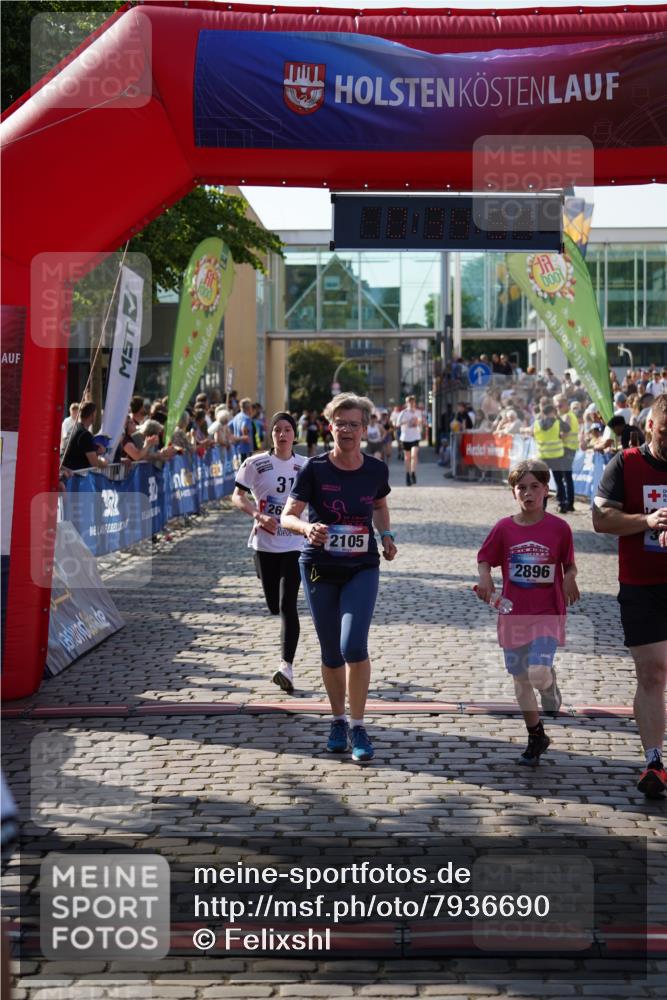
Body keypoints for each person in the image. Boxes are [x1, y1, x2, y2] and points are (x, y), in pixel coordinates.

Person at [281, 392, 397, 762]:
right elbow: (288, 515)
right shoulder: (314, 469)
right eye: (340, 423)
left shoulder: (376, 470)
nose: (347, 430)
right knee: (331, 651)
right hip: (318, 566)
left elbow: (379, 505)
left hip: (361, 566)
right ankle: (337, 719)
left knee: (352, 646)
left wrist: (387, 535)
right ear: (330, 427)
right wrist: (306, 528)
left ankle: (359, 725)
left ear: (365, 429)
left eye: (354, 424)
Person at [476, 460, 580, 765]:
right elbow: (485, 558)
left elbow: (569, 564)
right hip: (512, 612)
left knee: (536, 673)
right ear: (513, 492)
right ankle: (537, 735)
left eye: (535, 486)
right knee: (521, 679)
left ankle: (549, 685)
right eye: (522, 487)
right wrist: (485, 578)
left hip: (548, 611)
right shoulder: (504, 528)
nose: (528, 492)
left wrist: (570, 578)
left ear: (546, 490)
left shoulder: (559, 528)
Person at [592, 394, 667, 798]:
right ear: (651, 427)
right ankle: (654, 762)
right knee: (654, 673)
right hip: (642, 586)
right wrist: (647, 521)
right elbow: (600, 519)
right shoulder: (626, 462)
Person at [232, 413, 306, 693]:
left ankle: (286, 666)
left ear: (294, 434)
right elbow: (237, 495)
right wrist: (256, 514)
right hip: (264, 544)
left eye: (288, 429)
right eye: (277, 430)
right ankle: (265, 578)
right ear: (271, 434)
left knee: (289, 604)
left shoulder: (306, 466)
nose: (282, 434)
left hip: (295, 544)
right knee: (273, 604)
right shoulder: (256, 463)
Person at [531, 403, 568, 513]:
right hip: (556, 456)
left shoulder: (537, 423)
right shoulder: (557, 422)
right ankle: (562, 504)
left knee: (542, 483)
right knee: (559, 481)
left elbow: (533, 435)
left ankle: (542, 506)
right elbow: (568, 428)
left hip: (542, 457)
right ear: (552, 412)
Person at [61, 401, 108, 472]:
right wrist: (105, 462)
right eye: (95, 414)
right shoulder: (85, 434)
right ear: (92, 415)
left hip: (67, 473)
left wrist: (96, 452)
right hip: (74, 478)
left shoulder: (72, 428)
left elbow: (78, 451)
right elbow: (94, 462)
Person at [555, 394, 579, 512]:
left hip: (566, 448)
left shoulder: (567, 416)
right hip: (570, 448)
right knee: (567, 476)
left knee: (564, 476)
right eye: (556, 406)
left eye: (560, 405)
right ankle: (569, 503)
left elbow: (563, 434)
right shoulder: (569, 415)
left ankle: (567, 502)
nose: (558, 408)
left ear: (566, 404)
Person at [396, 394, 422, 485]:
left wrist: (418, 422)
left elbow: (421, 422)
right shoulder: (403, 412)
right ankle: (408, 474)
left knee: (414, 455)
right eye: (409, 402)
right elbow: (397, 424)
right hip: (405, 437)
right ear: (407, 403)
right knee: (407, 458)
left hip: (415, 437)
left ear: (414, 403)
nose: (411, 403)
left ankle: (413, 472)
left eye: (413, 402)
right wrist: (406, 422)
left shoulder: (418, 412)